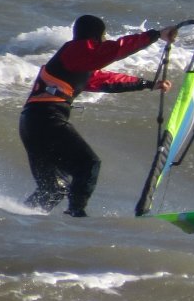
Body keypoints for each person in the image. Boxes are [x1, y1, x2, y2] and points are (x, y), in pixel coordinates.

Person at [19, 14, 178, 217]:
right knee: (88, 164)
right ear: (95, 37)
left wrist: (148, 84)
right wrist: (156, 35)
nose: (104, 40)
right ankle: (76, 216)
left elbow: (106, 81)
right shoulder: (75, 50)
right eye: (102, 36)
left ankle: (21, 220)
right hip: (47, 119)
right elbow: (115, 50)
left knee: (54, 189)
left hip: (31, 123)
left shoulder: (75, 61)